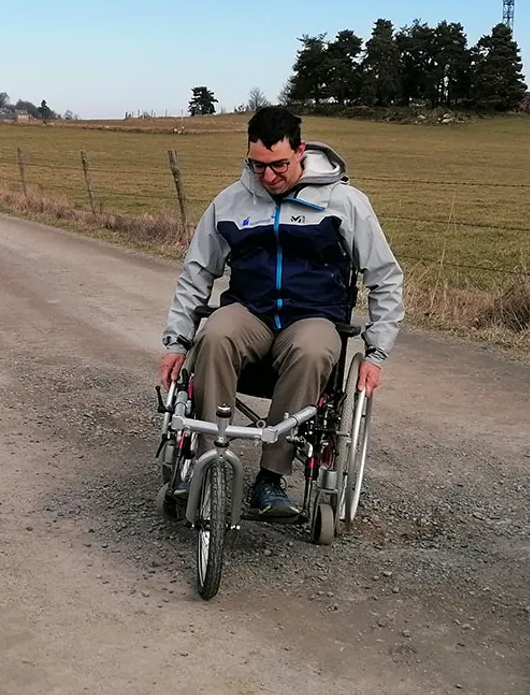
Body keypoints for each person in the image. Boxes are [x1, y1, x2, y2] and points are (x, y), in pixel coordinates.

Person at [158, 106, 404, 520]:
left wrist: (377, 353)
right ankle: (205, 465)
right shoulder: (230, 203)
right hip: (249, 312)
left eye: (279, 166)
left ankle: (270, 478)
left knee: (312, 351)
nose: (268, 176)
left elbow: (384, 276)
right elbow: (196, 273)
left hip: (313, 316)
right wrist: (176, 342)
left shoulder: (344, 202)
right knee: (215, 334)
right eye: (258, 166)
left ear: (301, 152)